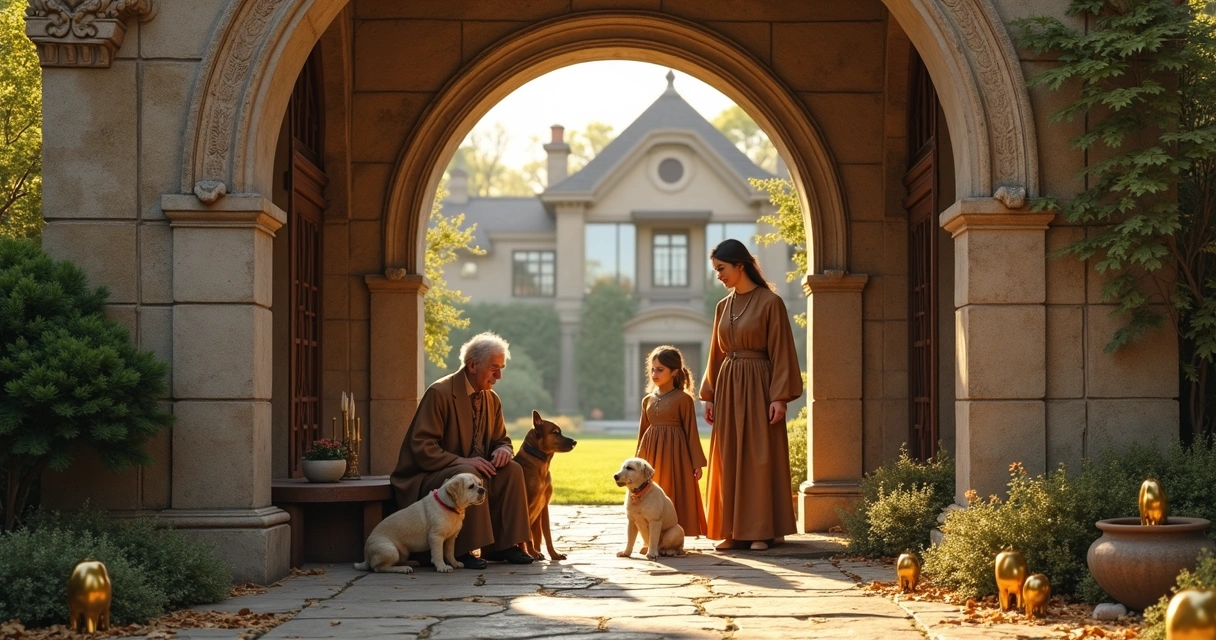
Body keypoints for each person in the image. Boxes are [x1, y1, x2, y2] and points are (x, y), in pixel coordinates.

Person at [389, 332, 535, 568]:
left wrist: (503, 451)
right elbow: (422, 446)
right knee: (469, 472)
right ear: (472, 365)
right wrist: (461, 461)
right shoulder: (439, 393)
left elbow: (502, 439)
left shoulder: (492, 399)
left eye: (502, 368)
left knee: (512, 470)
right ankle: (462, 550)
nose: (499, 375)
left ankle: (504, 546)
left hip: (471, 471)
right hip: (428, 477)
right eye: (494, 368)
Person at [700, 239, 803, 551]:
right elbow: (716, 354)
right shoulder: (722, 306)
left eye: (721, 268)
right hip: (729, 387)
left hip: (759, 385)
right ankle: (732, 530)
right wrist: (710, 394)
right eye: (715, 270)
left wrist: (779, 397)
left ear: (739, 266)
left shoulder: (770, 302)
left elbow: (781, 351)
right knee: (728, 456)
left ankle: (761, 531)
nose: (718, 275)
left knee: (759, 457)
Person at [635, 345, 708, 538]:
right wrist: (637, 461)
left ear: (674, 372)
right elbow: (642, 432)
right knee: (650, 494)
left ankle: (672, 536)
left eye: (660, 370)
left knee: (672, 491)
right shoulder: (647, 400)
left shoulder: (683, 399)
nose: (654, 373)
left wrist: (696, 463)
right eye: (652, 369)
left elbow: (691, 431)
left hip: (676, 455)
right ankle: (650, 537)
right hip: (651, 452)